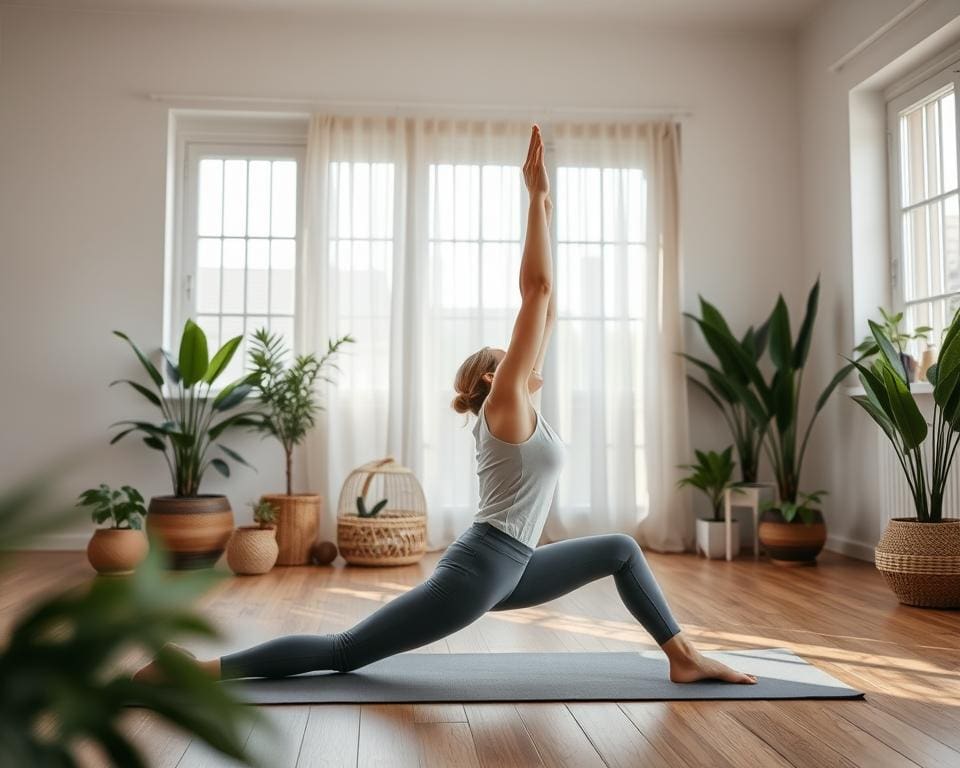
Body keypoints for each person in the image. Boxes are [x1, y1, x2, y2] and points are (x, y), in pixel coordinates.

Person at [136, 126, 755, 686]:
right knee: (346, 650)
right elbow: (537, 292)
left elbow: (549, 302)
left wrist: (544, 209)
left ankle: (681, 656)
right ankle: (200, 672)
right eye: (512, 355)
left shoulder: (521, 409)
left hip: (512, 564)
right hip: (481, 568)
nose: (532, 355)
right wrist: (533, 202)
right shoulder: (504, 405)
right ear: (495, 374)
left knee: (621, 547)